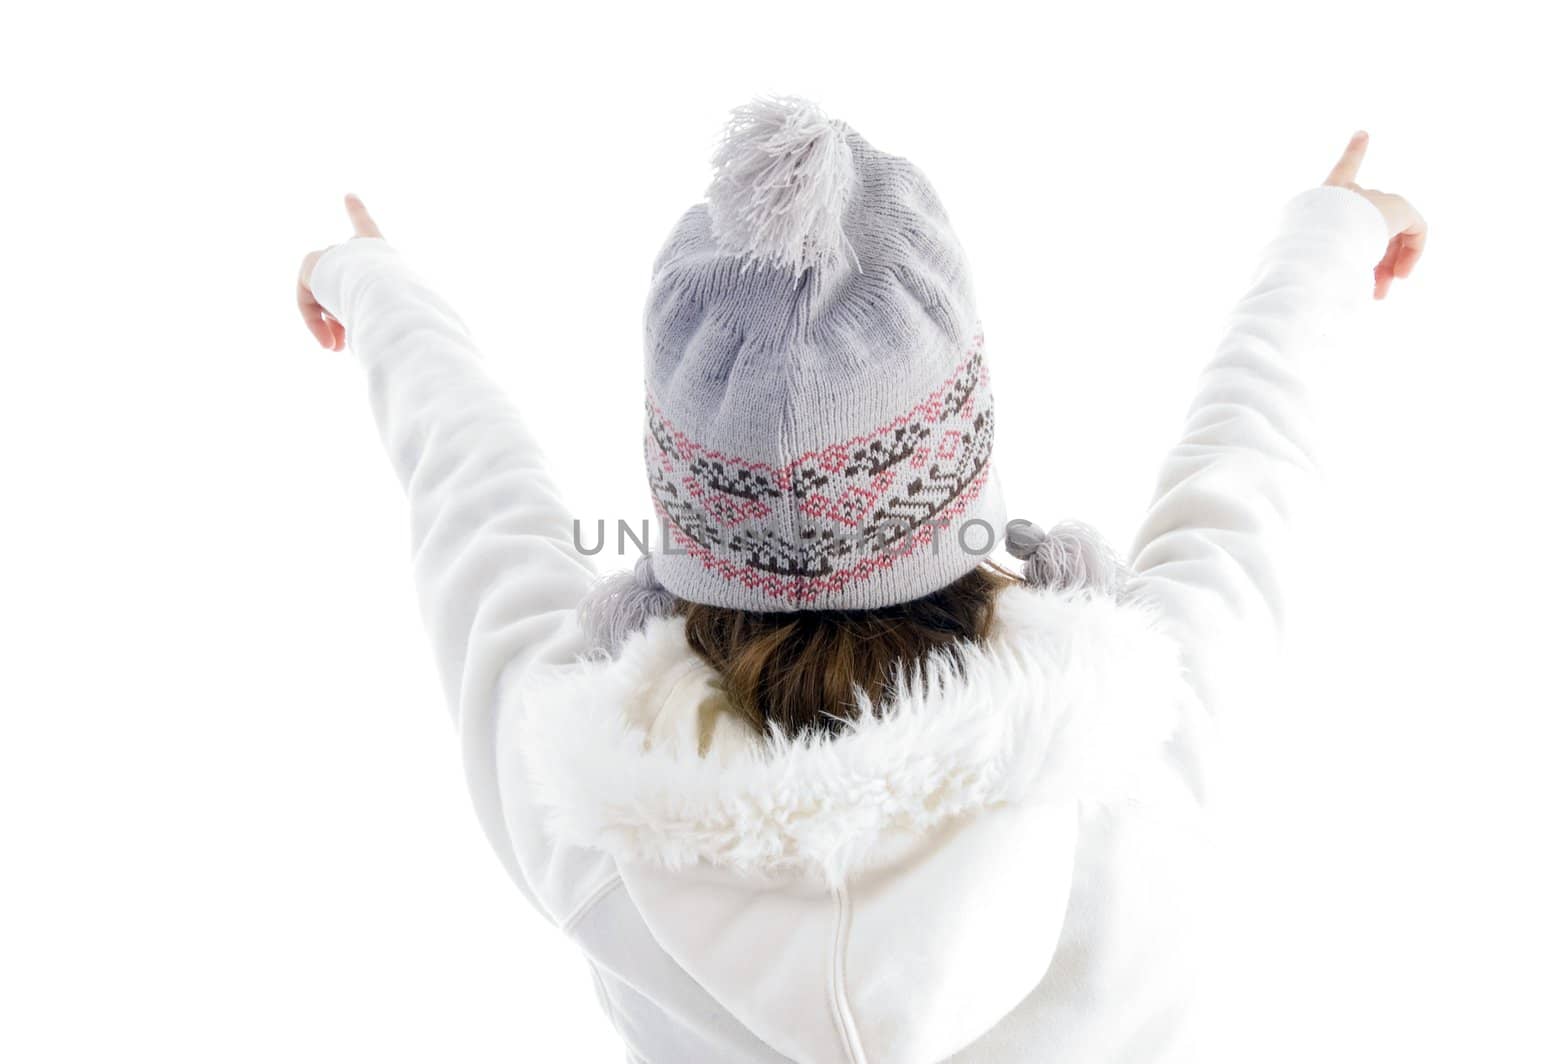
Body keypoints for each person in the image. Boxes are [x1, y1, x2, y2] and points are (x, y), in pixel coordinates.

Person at [295, 96, 1424, 1063]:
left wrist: (374, 287)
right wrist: (1329, 238)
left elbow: (472, 494)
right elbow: (1248, 462)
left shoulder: (569, 788)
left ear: (681, 495)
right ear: (959, 447)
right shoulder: (1146, 740)